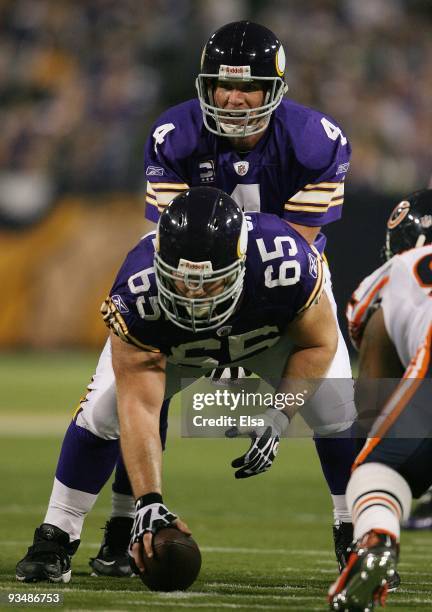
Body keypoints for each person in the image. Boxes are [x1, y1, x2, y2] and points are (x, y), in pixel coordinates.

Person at [16, 21, 358, 582]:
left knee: (340, 404)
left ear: (275, 88)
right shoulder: (171, 145)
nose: (232, 97)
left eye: (248, 85)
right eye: (222, 85)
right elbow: (181, 241)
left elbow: (308, 299)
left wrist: (278, 409)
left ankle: (354, 529)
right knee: (105, 405)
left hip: (273, 297)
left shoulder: (314, 152)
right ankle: (59, 534)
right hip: (183, 290)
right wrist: (204, 335)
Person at [328, 189, 432, 611]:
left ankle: (376, 543)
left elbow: (374, 394)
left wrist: (373, 454)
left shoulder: (398, 269)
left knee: (377, 475)